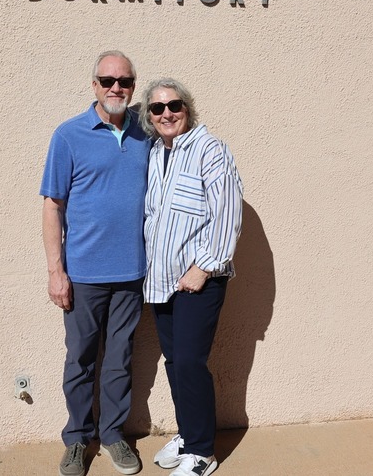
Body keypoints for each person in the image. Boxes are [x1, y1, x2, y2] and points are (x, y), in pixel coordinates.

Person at [40, 51, 150, 476]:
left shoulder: (146, 135)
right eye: (107, 80)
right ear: (94, 85)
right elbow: (53, 206)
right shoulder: (68, 136)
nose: (115, 88)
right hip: (83, 275)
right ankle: (76, 439)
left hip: (131, 274)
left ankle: (112, 435)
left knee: (120, 360)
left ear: (133, 86)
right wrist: (56, 271)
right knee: (80, 360)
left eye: (124, 81)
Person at [139, 78, 244, 476]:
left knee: (189, 362)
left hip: (198, 279)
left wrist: (205, 267)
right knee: (175, 362)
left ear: (188, 107)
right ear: (149, 117)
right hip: (161, 280)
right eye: (157, 108)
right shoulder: (153, 154)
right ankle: (187, 433)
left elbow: (228, 212)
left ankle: (202, 451)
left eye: (174, 105)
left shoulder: (209, 149)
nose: (167, 113)